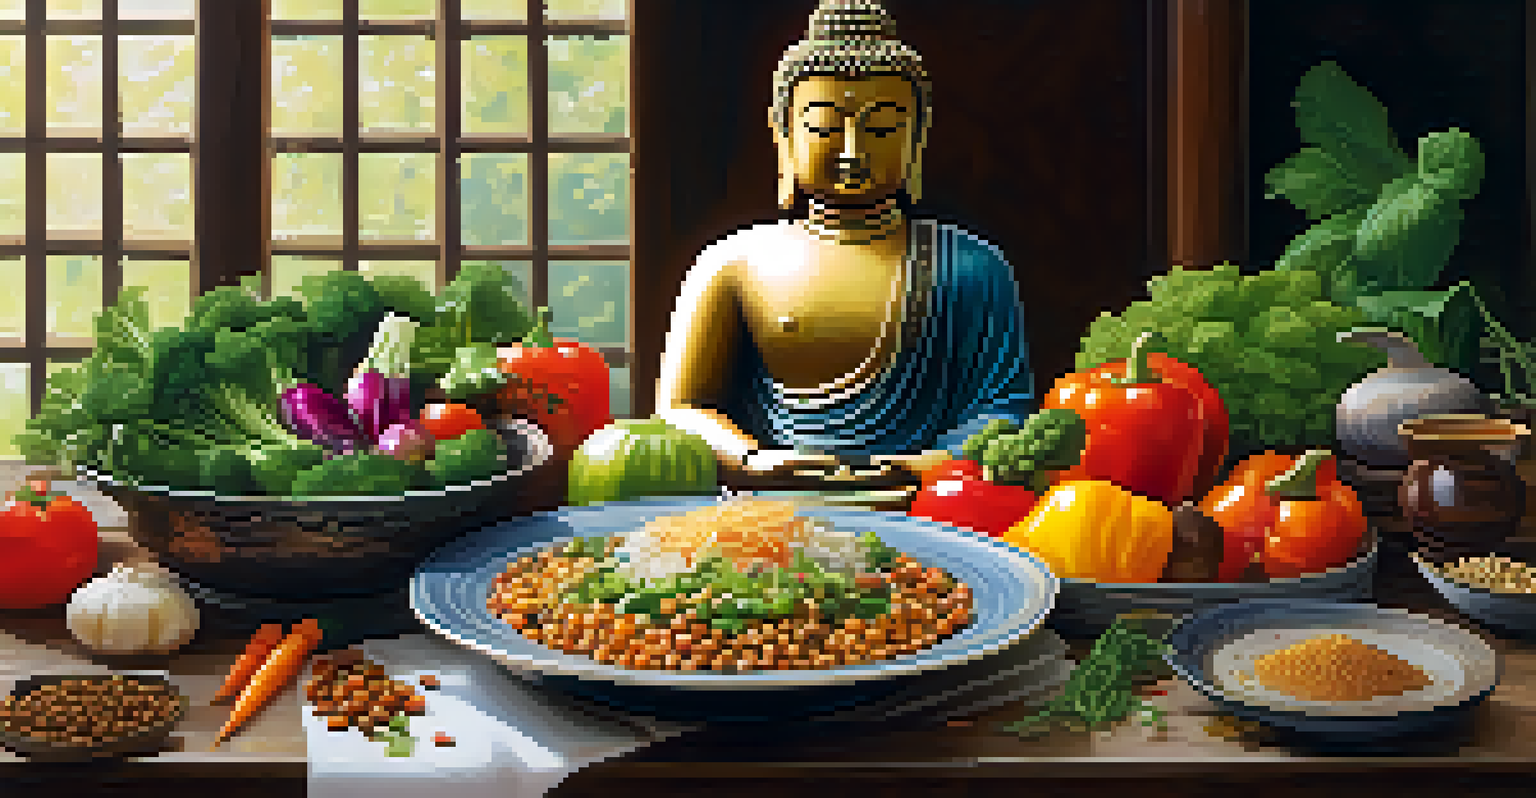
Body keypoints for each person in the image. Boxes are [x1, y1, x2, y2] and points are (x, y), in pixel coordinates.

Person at [655, 0, 1035, 482]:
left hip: (927, 508)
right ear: (784, 136)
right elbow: (681, 411)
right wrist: (752, 460)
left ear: (917, 139)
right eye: (824, 127)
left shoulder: (972, 267)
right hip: (770, 512)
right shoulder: (733, 263)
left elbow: (1002, 414)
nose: (853, 152)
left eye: (881, 128)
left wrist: (916, 469)